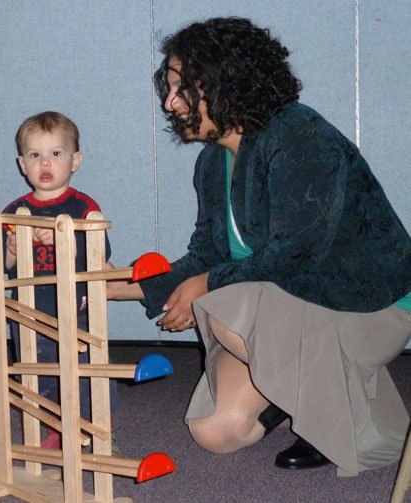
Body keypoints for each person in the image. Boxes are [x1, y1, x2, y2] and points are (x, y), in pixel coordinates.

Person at [107, 17, 411, 477]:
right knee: (217, 431)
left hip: (366, 306)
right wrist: (114, 286)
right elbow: (205, 255)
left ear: (223, 83)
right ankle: (308, 394)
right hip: (283, 314)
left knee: (220, 302)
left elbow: (296, 251)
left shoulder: (298, 134)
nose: (169, 103)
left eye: (179, 89)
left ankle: (325, 410)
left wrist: (206, 284)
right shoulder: (212, 163)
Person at [3, 111, 119, 451]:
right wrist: (11, 249)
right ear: (22, 164)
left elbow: (100, 254)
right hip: (30, 308)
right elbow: (2, 266)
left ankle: (99, 427)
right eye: (35, 155)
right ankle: (55, 428)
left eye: (56, 153)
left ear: (75, 160)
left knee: (84, 368)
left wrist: (64, 241)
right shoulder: (16, 209)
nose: (45, 163)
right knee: (39, 372)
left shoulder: (83, 207)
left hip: (76, 306)